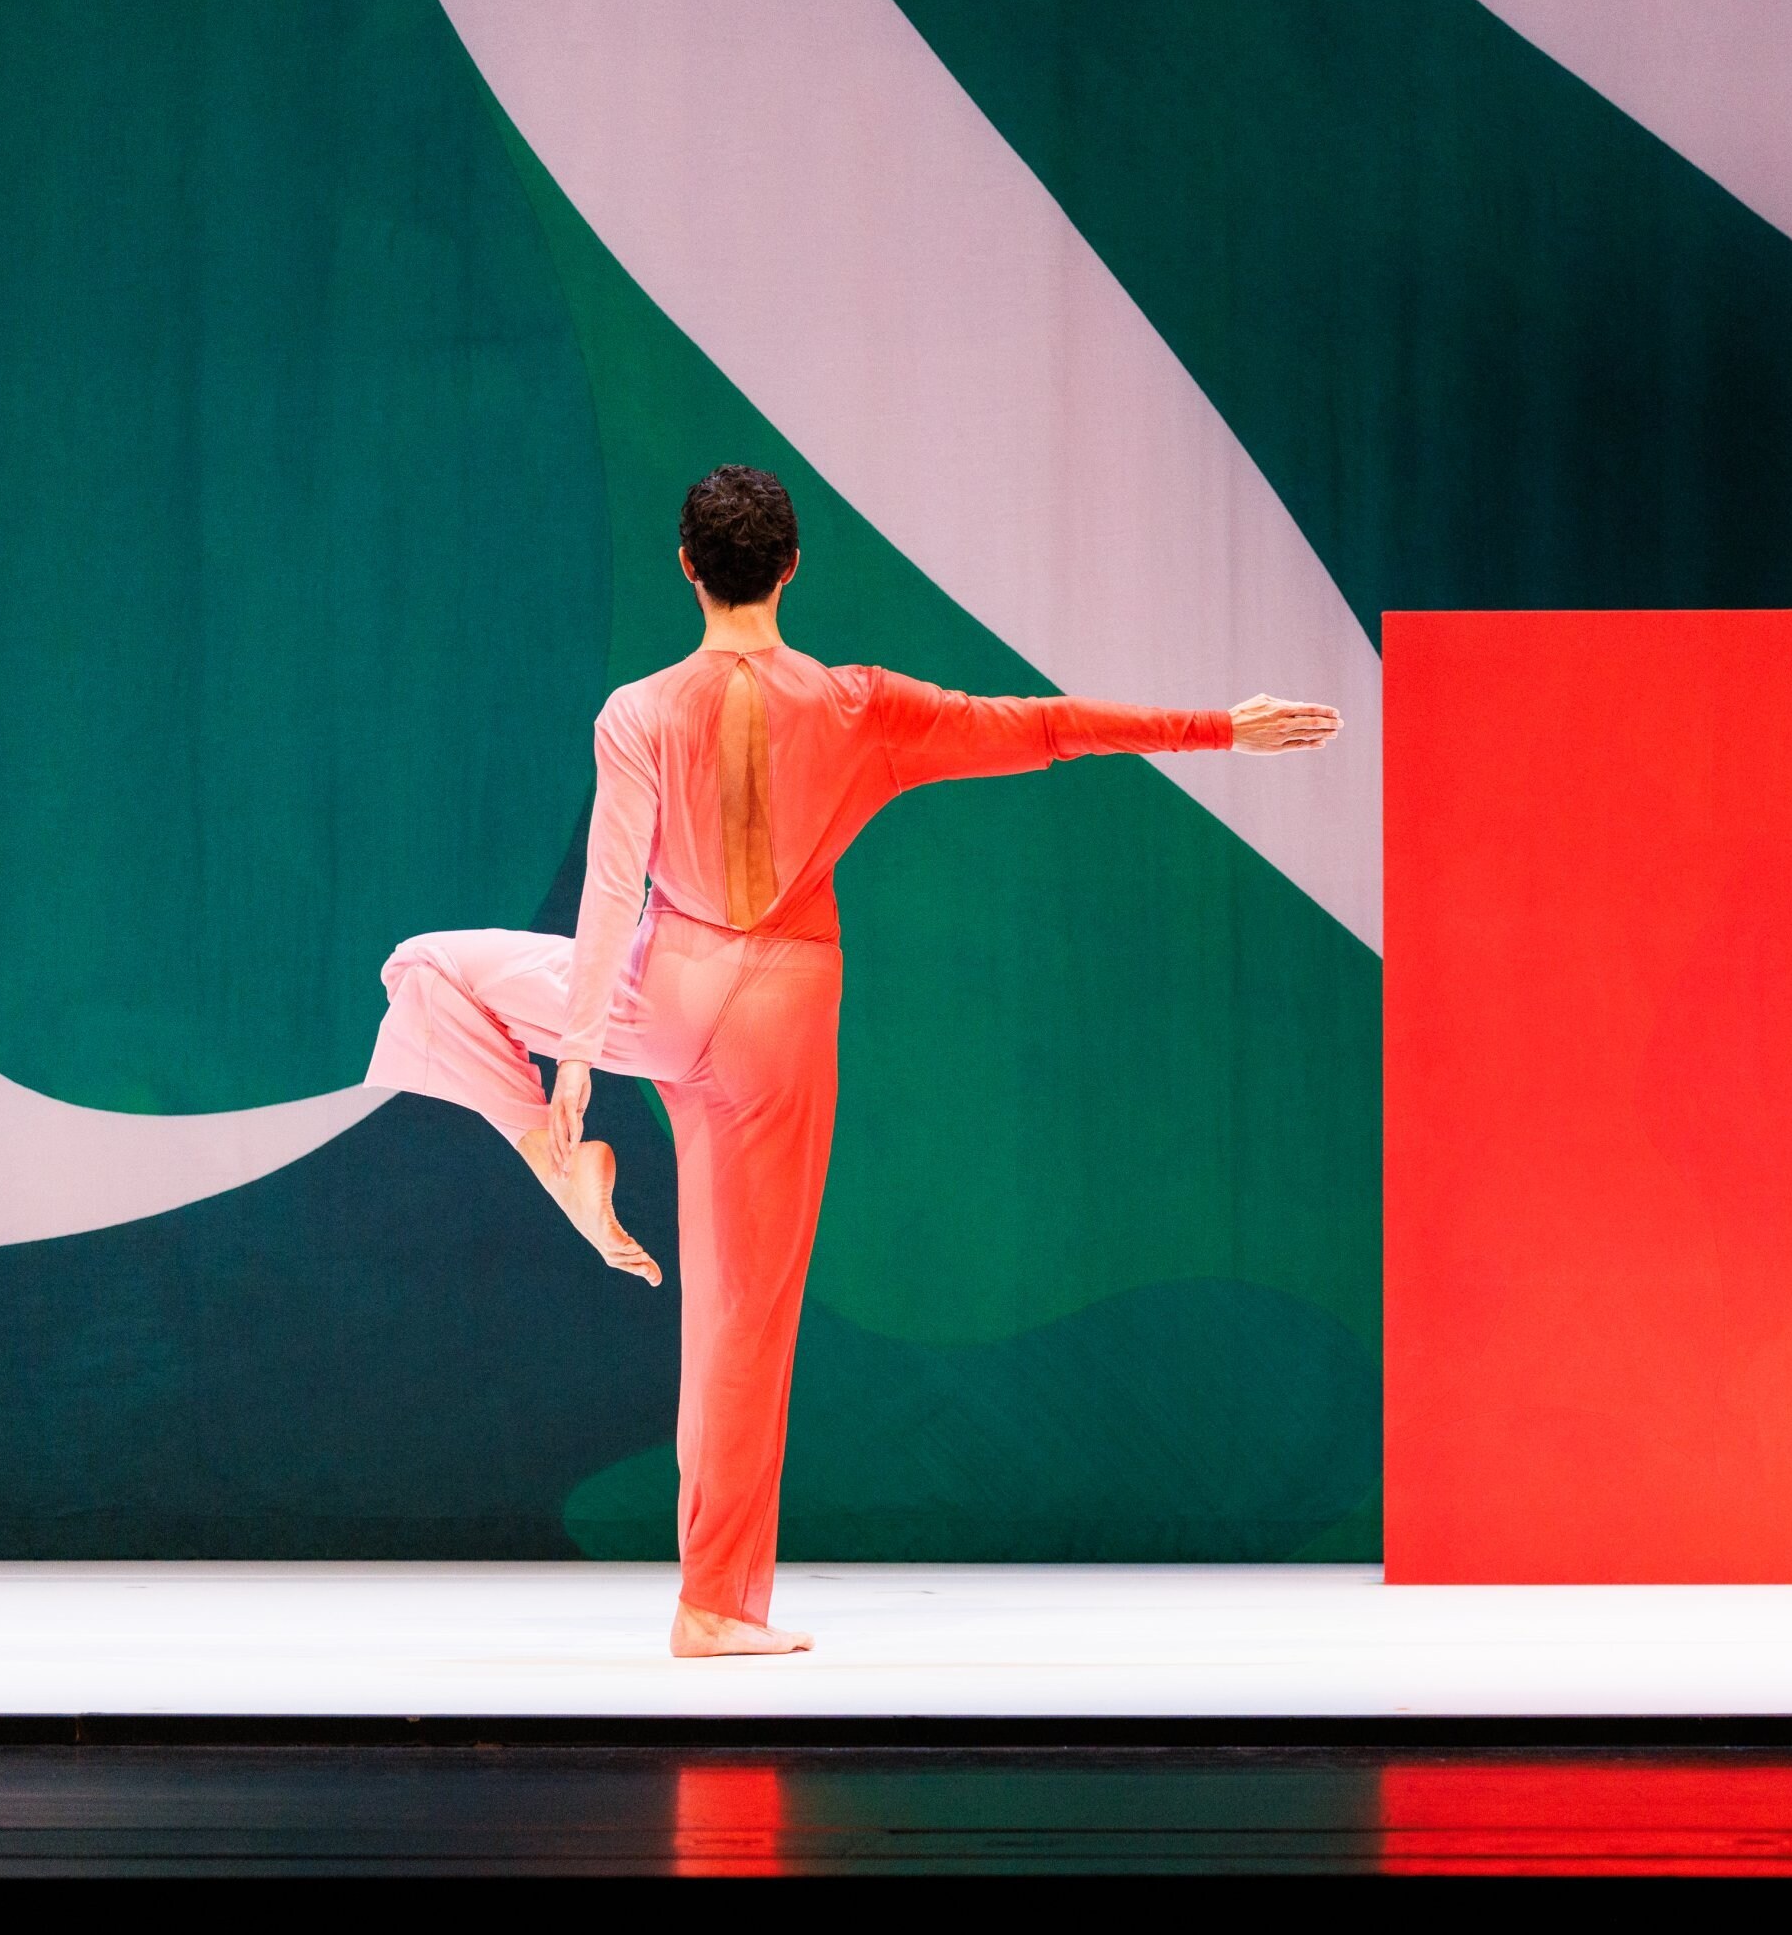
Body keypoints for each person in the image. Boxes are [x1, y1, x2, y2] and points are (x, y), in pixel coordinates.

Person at [366, 465, 1339, 1656]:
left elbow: (612, 885)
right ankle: (713, 1608)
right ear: (790, 568)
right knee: (744, 1319)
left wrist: (573, 1064)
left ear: (687, 569)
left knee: (427, 967)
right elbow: (1037, 728)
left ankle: (553, 1161)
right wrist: (1219, 727)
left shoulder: (635, 711)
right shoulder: (857, 705)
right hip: (781, 1014)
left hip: (656, 994)